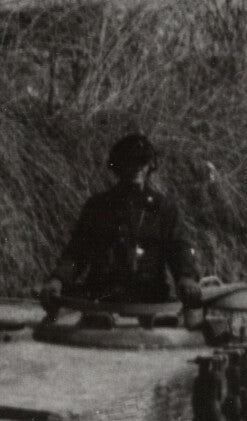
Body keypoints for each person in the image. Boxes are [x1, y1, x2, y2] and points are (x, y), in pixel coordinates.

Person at [41, 132, 203, 312]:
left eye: (142, 161)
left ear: (150, 166)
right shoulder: (98, 206)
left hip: (149, 301)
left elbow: (179, 248)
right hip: (102, 299)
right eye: (129, 161)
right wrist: (58, 280)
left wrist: (186, 277)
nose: (136, 168)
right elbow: (76, 252)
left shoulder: (164, 208)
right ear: (117, 166)